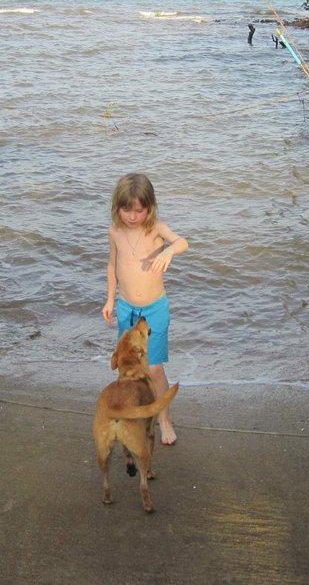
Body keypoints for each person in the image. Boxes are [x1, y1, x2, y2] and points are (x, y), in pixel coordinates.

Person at [102, 173, 188, 445]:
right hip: (127, 308)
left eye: (139, 210)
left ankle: (164, 420)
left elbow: (182, 242)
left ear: (150, 208)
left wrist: (167, 252)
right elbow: (112, 266)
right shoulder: (115, 232)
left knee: (154, 369)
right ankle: (133, 412)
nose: (132, 216)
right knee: (126, 367)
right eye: (126, 209)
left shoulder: (156, 229)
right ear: (117, 207)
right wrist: (110, 299)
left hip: (154, 310)